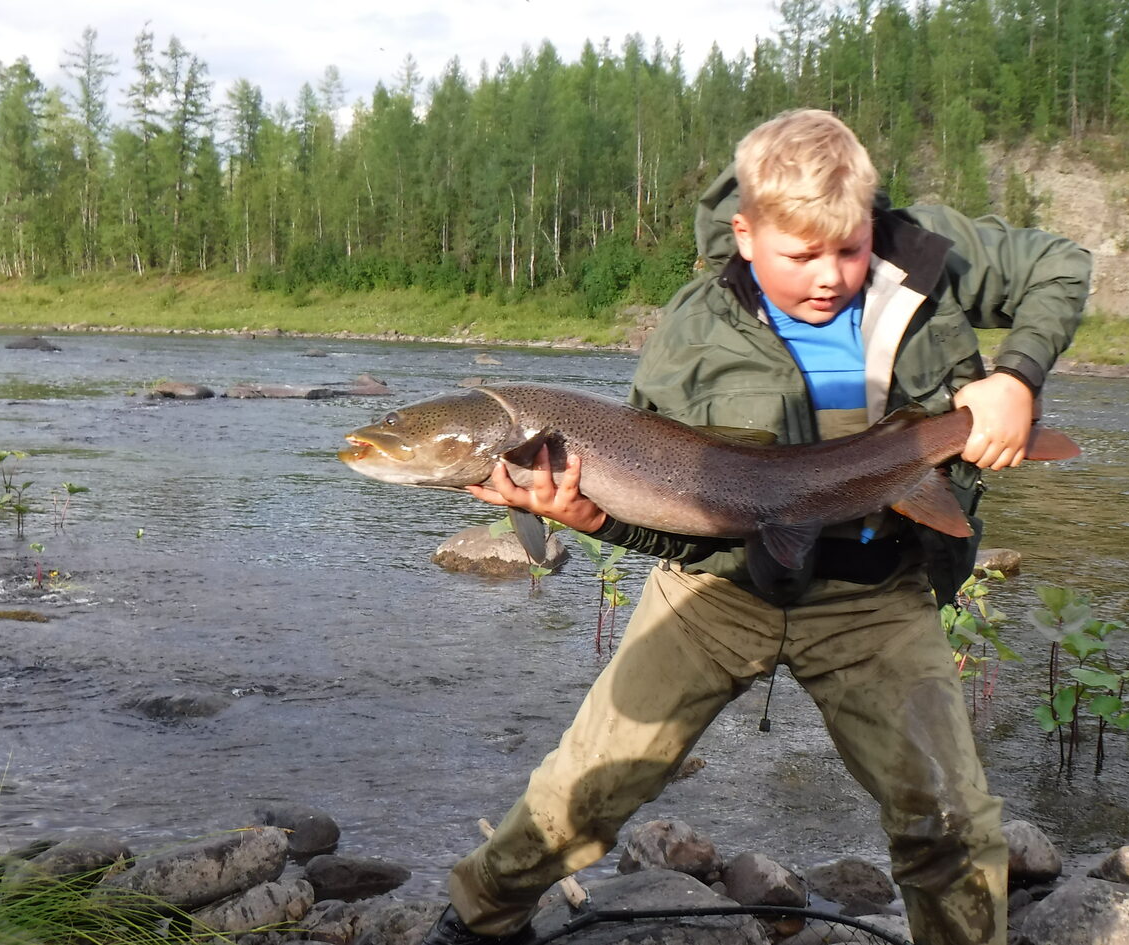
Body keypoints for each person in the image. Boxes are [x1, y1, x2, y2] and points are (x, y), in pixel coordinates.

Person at [424, 109, 1091, 945]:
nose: (831, 275)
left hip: (876, 595)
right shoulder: (691, 339)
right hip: (718, 590)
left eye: (849, 249)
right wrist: (589, 518)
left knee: (949, 824)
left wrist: (1017, 381)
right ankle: (480, 918)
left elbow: (1063, 265)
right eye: (802, 255)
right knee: (577, 796)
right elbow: (674, 523)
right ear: (745, 233)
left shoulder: (925, 251)